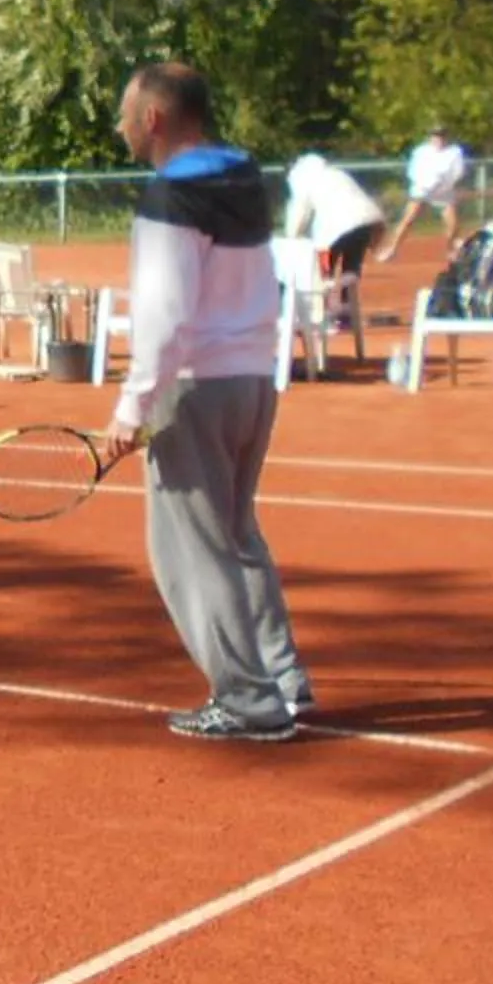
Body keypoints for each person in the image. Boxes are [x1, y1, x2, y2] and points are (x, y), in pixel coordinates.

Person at [98, 62, 310, 742]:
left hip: (196, 388)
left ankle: (249, 700)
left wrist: (133, 410)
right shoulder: (243, 178)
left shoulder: (168, 198)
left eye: (127, 113)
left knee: (192, 552)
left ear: (154, 119)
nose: (120, 125)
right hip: (252, 380)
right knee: (238, 535)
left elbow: (165, 313)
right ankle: (282, 680)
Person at [280, 151, 385, 285]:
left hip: (337, 227)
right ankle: (348, 300)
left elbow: (300, 211)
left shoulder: (301, 179)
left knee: (323, 271)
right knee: (351, 267)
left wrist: (292, 236)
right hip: (366, 221)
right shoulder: (335, 172)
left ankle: (325, 298)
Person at [377, 123, 468, 263]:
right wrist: (423, 184)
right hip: (421, 190)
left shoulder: (454, 152)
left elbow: (457, 172)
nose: (438, 139)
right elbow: (413, 170)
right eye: (435, 136)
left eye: (441, 136)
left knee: (453, 223)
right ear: (431, 137)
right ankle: (392, 249)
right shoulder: (421, 151)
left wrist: (443, 186)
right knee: (407, 220)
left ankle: (451, 250)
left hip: (444, 192)